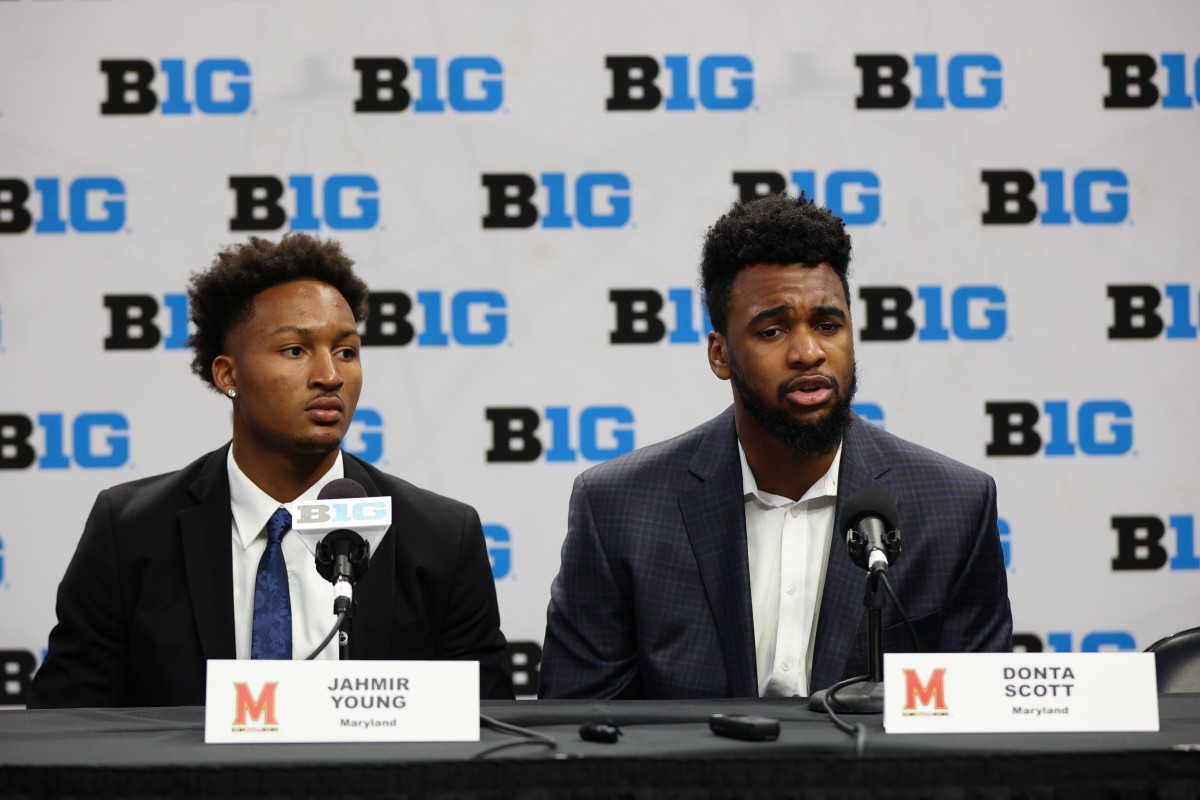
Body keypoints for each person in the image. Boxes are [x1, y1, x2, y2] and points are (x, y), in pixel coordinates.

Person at [539, 193, 1012, 700]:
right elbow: (577, 737)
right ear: (720, 354)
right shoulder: (619, 509)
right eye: (773, 330)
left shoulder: (954, 507)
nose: (808, 352)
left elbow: (978, 729)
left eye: (828, 326)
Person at [29, 233, 513, 707]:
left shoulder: (440, 537)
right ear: (228, 375)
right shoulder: (131, 530)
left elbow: (489, 732)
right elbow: (70, 727)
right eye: (295, 351)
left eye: (346, 351)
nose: (330, 375)